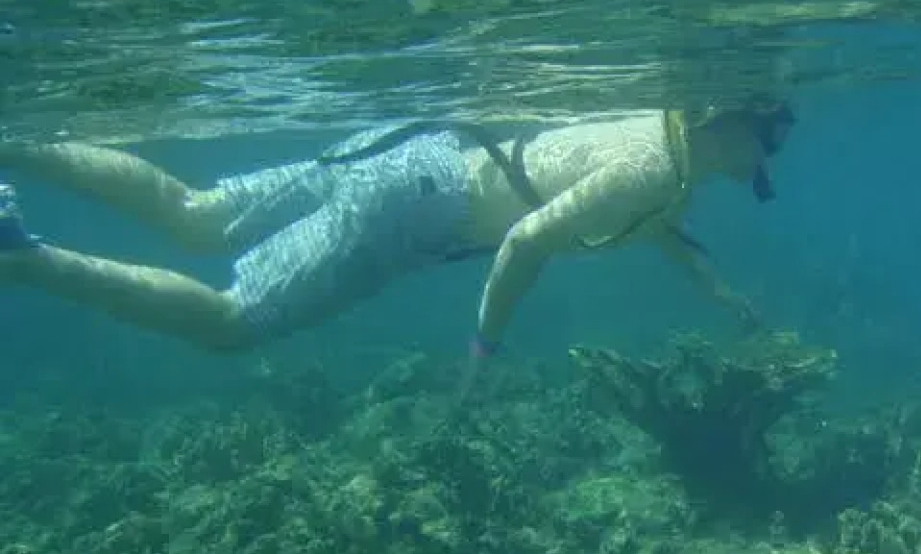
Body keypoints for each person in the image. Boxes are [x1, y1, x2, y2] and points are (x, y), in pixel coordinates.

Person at [0, 101, 796, 355]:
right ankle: (20, 257)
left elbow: (650, 225)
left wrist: (720, 291)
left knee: (195, 214)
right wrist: (487, 339)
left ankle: (14, 138)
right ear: (737, 127)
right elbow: (525, 241)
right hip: (417, 209)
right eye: (777, 133)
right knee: (231, 321)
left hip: (403, 157)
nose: (775, 154)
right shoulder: (656, 171)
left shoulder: (654, 134)